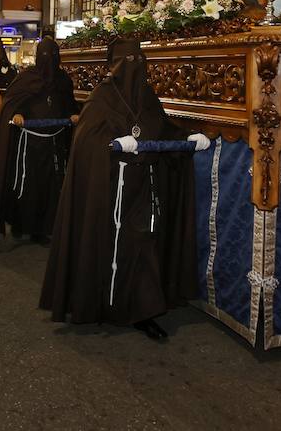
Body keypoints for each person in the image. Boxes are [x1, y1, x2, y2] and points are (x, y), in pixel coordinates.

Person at [40, 39, 198, 340]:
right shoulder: (101, 99)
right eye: (128, 60)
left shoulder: (147, 96)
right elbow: (87, 144)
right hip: (112, 191)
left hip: (145, 188)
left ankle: (144, 311)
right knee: (116, 250)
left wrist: (188, 140)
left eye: (140, 59)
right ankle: (105, 305)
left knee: (145, 244)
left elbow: (163, 128)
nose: (135, 66)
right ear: (114, 65)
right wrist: (114, 148)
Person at [0, 38, 79, 243]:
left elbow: (68, 104)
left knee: (50, 187)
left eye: (53, 56)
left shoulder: (63, 80)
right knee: (27, 186)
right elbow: (13, 104)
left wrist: (73, 115)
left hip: (54, 144)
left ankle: (43, 228)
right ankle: (21, 224)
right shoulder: (27, 79)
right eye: (46, 56)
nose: (50, 61)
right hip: (29, 145)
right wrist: (18, 114)